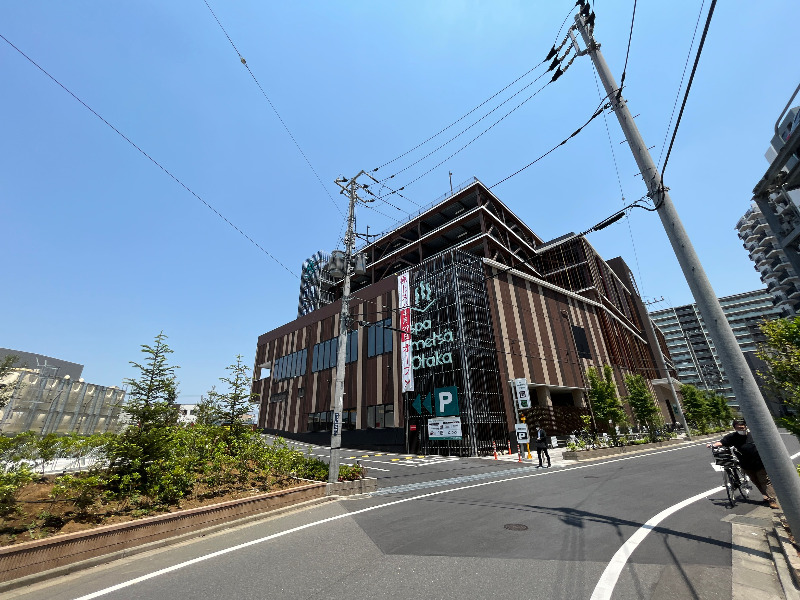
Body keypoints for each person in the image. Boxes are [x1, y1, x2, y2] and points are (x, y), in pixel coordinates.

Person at [708, 418, 777, 508]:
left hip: (759, 463)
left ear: (745, 426)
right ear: (734, 428)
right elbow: (721, 442)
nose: (741, 428)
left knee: (765, 481)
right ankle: (766, 496)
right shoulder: (732, 437)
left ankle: (772, 500)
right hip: (745, 464)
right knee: (755, 481)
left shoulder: (753, 435)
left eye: (742, 426)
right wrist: (712, 445)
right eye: (738, 427)